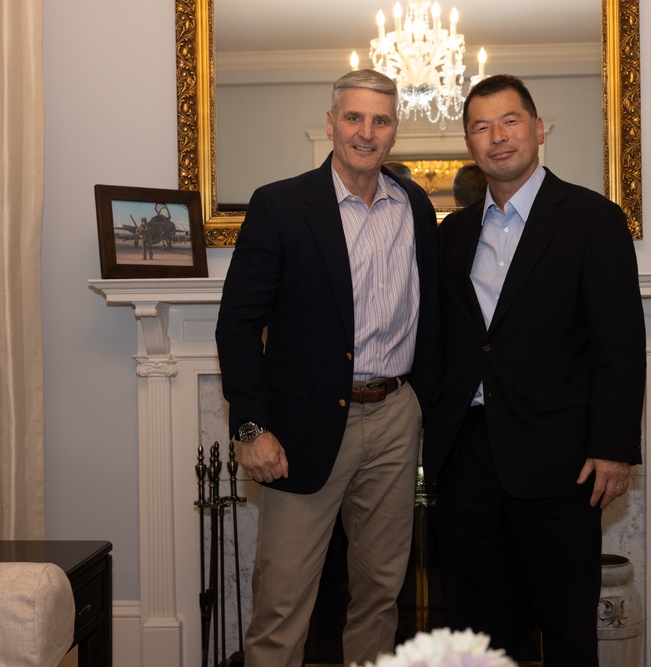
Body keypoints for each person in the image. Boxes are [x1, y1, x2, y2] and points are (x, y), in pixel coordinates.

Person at [216, 69, 441, 667]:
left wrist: (423, 405)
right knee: (282, 603)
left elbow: (432, 311)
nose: (367, 132)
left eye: (381, 120)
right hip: (303, 426)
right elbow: (238, 324)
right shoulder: (281, 204)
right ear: (331, 123)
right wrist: (251, 427)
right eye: (354, 117)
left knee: (381, 593)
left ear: (395, 131)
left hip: (395, 416)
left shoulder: (415, 205)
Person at [423, 74, 645, 666]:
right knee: (477, 633)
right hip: (467, 457)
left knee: (566, 627)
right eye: (481, 127)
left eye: (510, 121)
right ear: (469, 145)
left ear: (538, 129)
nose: (497, 136)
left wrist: (613, 447)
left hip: (561, 459)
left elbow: (620, 343)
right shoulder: (454, 234)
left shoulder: (594, 219)